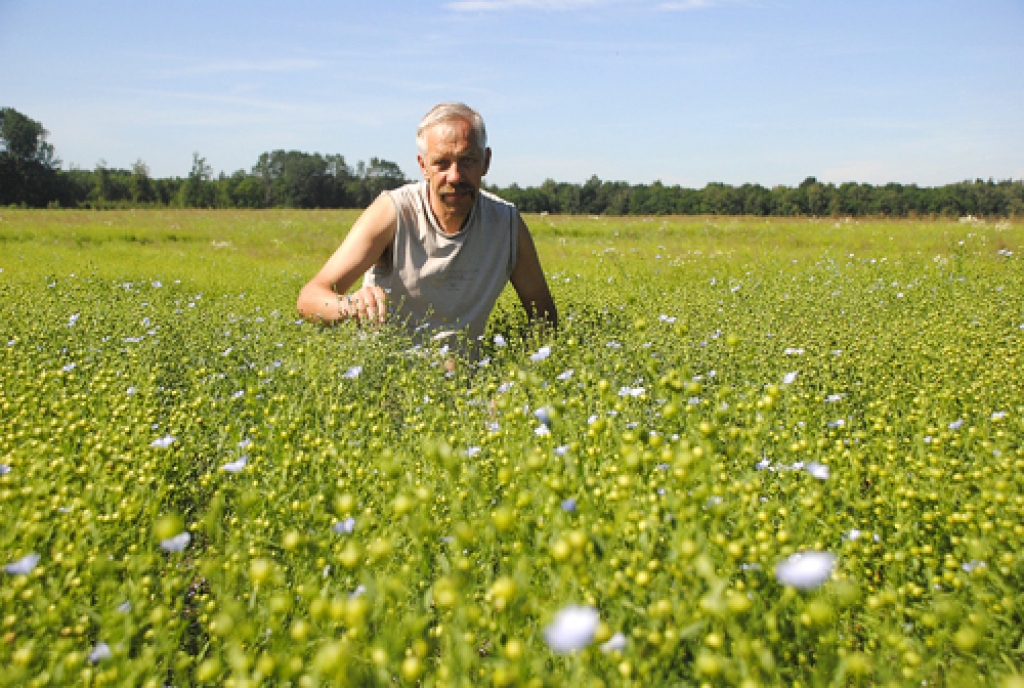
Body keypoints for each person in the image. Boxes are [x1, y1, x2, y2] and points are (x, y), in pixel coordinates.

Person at [297, 102, 557, 351]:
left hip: (471, 390)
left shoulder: (506, 224)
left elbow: (545, 319)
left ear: (486, 162)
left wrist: (519, 376)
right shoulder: (393, 212)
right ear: (423, 166)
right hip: (388, 383)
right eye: (442, 163)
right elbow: (310, 298)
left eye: (467, 160)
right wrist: (350, 306)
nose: (454, 176)